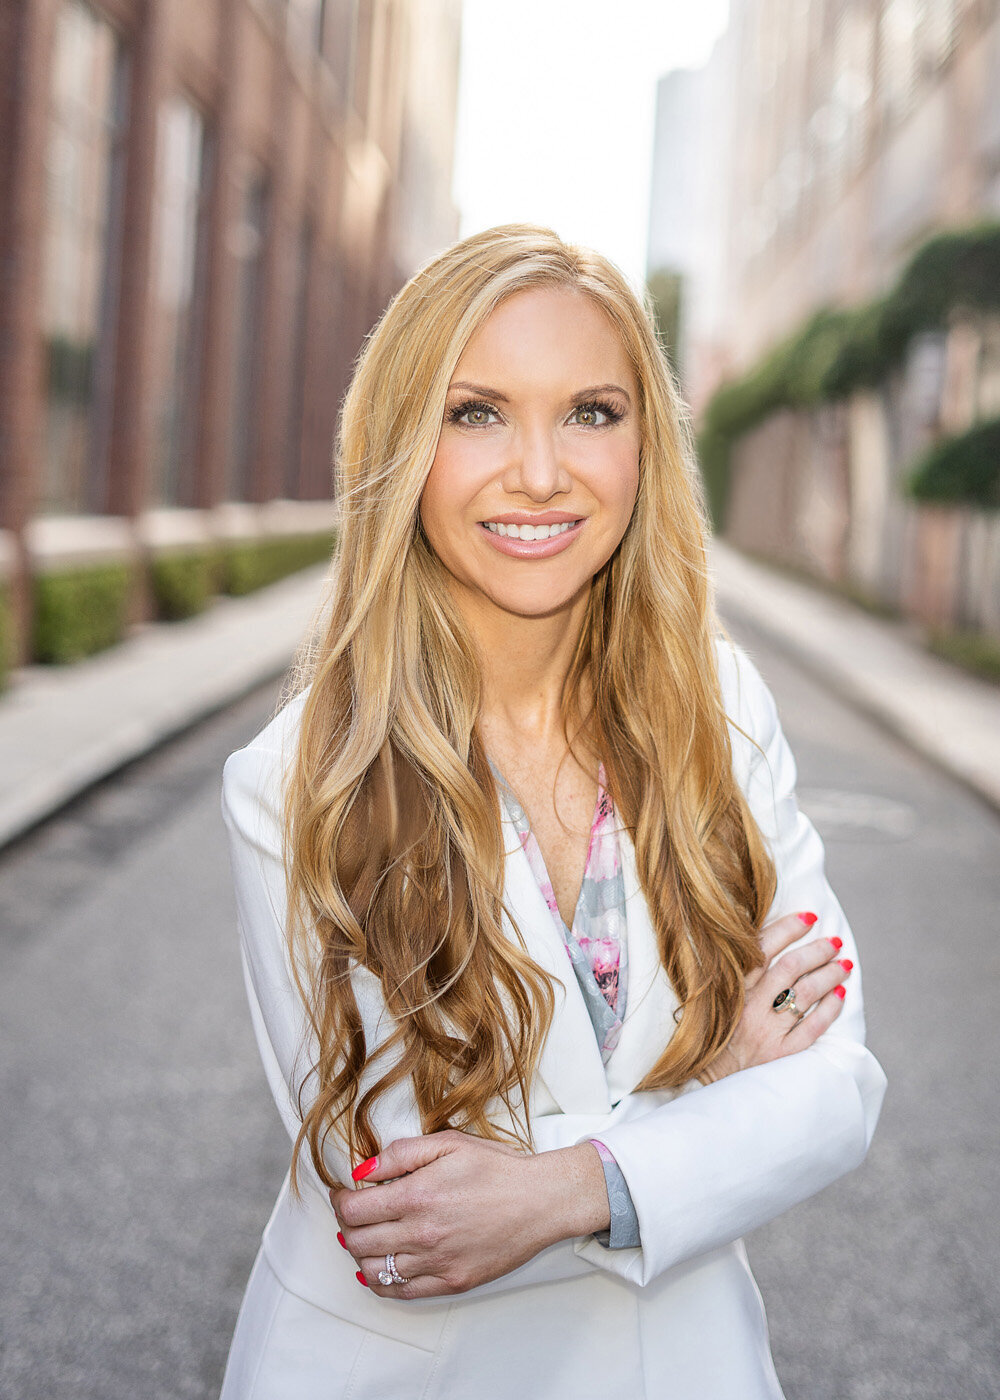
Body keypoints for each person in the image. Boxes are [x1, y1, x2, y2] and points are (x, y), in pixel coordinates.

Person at [218, 223, 887, 1400]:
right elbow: (398, 1214)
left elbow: (834, 1086)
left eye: (590, 411)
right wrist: (715, 1086)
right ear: (399, 444)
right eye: (476, 412)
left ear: (646, 445)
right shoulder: (298, 779)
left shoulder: (719, 707)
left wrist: (563, 1181)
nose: (540, 470)